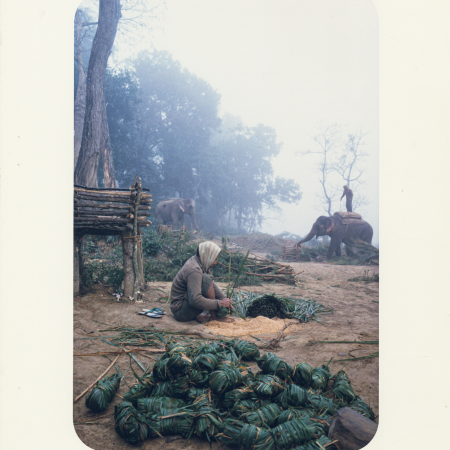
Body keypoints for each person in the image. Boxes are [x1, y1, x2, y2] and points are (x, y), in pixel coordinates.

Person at [170, 241, 234, 323]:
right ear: (207, 256)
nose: (215, 263)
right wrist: (220, 303)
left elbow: (210, 284)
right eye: (214, 259)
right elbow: (195, 300)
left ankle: (203, 316)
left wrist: (224, 299)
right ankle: (214, 318)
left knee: (207, 278)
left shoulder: (198, 262)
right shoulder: (194, 270)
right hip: (180, 312)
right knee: (206, 278)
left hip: (184, 306)